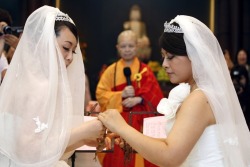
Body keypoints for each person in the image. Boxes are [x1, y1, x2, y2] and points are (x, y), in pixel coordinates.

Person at [98, 15, 250, 166]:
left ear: (194, 56)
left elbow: (170, 156)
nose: (164, 64)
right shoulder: (199, 93)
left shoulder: (199, 99)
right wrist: (135, 142)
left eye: (170, 57)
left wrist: (122, 127)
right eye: (163, 57)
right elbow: (178, 145)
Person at [0, 5, 103, 167]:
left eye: (73, 52)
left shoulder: (45, 82)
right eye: (65, 48)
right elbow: (28, 150)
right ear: (45, 42)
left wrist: (82, 139)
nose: (70, 58)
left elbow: (48, 151)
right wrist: (82, 132)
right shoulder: (34, 85)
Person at [96, 30, 163, 167]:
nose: (127, 50)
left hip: (140, 126)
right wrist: (120, 95)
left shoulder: (145, 71)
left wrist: (140, 99)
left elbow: (157, 98)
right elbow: (100, 94)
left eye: (131, 46)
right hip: (117, 126)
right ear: (117, 48)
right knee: (117, 160)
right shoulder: (111, 71)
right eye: (123, 46)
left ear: (137, 47)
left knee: (140, 159)